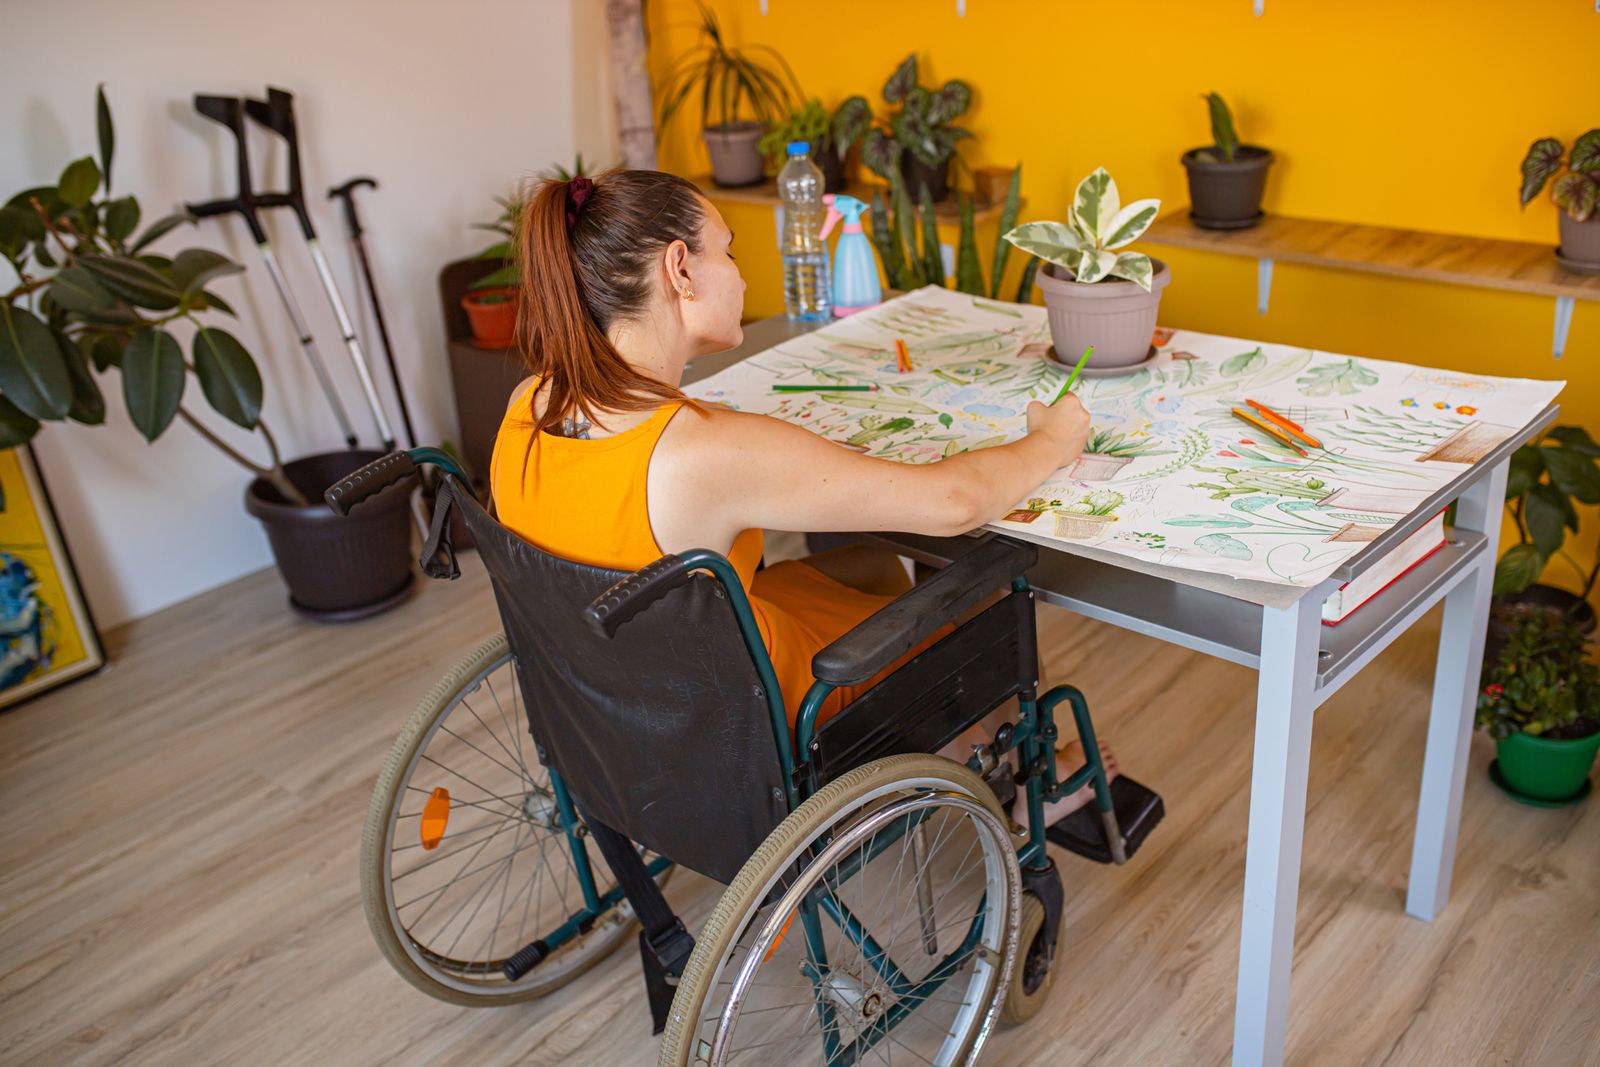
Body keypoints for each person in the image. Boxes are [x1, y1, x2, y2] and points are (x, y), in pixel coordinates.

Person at [490, 169, 1116, 828]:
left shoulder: (528, 405)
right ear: (679, 269)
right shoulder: (699, 452)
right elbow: (956, 501)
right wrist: (1053, 440)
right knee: (985, 582)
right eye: (726, 251)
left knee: (870, 564)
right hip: (750, 725)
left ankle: (960, 749)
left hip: (622, 707)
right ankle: (1014, 775)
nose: (740, 274)